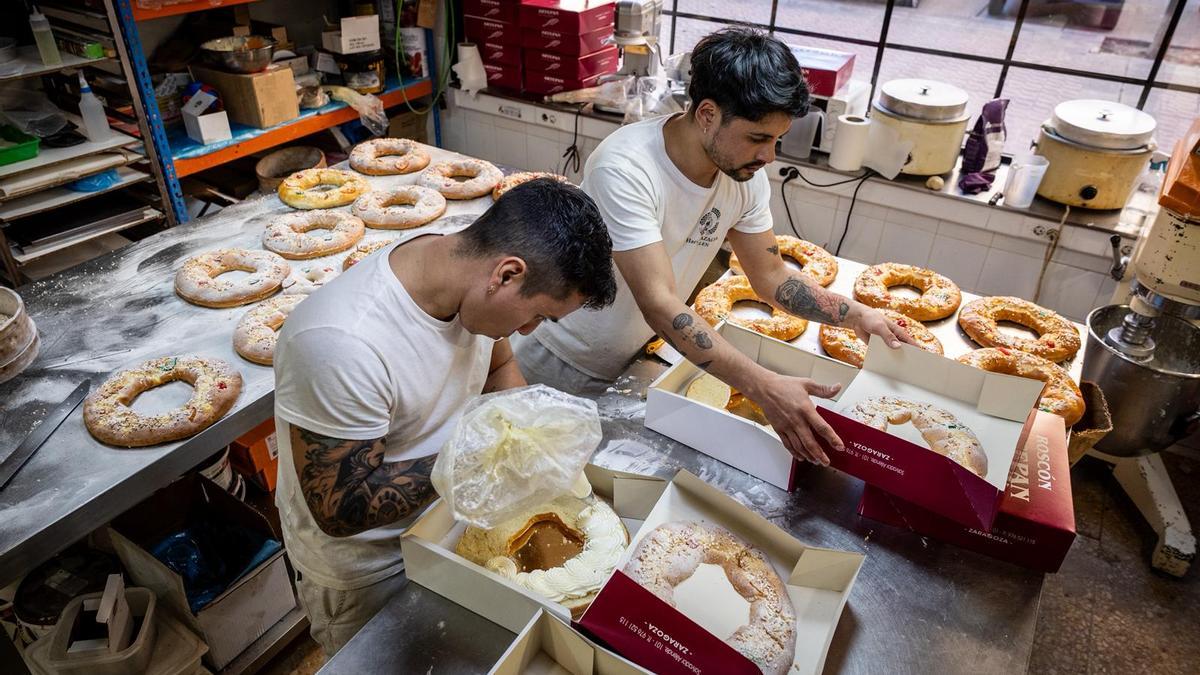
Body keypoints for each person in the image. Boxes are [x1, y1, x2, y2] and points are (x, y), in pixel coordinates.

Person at [512, 27, 917, 466]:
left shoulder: (743, 177)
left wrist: (857, 315)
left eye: (777, 140)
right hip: (563, 364)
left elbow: (772, 278)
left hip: (636, 358)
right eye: (759, 138)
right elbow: (662, 304)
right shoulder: (627, 169)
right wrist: (763, 386)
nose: (770, 156)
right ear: (707, 114)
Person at [272, 179, 617, 657]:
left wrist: (526, 432)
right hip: (371, 572)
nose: (530, 331)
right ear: (508, 274)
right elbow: (341, 507)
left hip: (456, 524)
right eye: (538, 315)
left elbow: (497, 363)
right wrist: (486, 459)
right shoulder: (341, 344)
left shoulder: (464, 270)